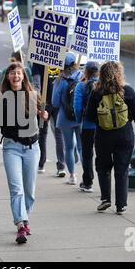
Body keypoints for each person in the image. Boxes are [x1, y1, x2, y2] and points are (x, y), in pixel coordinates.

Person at [0, 62, 48, 244]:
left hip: (32, 148)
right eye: (12, 73)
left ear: (23, 76)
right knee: (17, 189)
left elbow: (42, 121)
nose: (15, 76)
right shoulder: (0, 98)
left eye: (19, 73)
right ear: (7, 77)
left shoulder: (33, 95)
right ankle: (21, 224)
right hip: (11, 147)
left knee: (30, 192)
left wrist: (44, 116)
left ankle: (24, 217)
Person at [85, 61, 135, 214]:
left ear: (102, 74)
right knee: (122, 168)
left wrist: (101, 120)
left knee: (103, 166)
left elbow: (89, 115)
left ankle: (105, 199)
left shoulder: (96, 92)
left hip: (103, 135)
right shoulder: (127, 91)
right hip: (124, 134)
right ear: (119, 73)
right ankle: (121, 204)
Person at [51, 53, 83, 185]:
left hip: (65, 118)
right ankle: (87, 175)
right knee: (82, 148)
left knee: (69, 147)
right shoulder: (82, 77)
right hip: (80, 117)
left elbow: (55, 103)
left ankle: (72, 176)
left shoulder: (59, 80)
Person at [31, 61, 66, 177]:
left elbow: (36, 84)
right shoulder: (60, 57)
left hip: (44, 102)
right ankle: (61, 166)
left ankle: (41, 164)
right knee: (58, 132)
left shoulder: (38, 60)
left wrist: (38, 100)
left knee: (42, 133)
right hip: (58, 100)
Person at [73, 61, 99, 193]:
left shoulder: (81, 86)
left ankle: (88, 181)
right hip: (103, 125)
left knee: (87, 154)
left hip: (88, 125)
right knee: (102, 154)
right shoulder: (104, 85)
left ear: (86, 72)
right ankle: (104, 181)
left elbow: (77, 107)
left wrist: (79, 120)